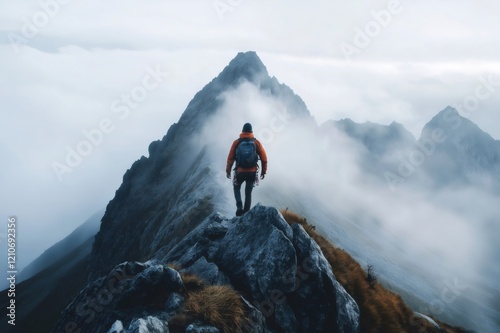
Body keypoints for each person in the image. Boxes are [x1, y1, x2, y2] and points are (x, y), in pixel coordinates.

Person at [226, 123, 267, 216]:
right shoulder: (256, 142)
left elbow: (230, 158)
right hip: (252, 172)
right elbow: (264, 159)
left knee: (236, 188)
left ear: (242, 131)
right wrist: (263, 171)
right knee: (248, 194)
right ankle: (246, 213)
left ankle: (239, 207)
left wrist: (228, 171)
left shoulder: (237, 142)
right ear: (251, 131)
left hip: (239, 171)